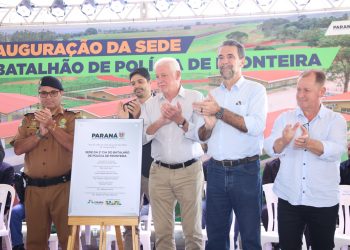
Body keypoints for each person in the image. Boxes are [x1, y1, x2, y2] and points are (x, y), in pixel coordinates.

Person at [193, 39, 267, 250]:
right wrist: (208, 126)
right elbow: (202, 136)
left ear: (242, 61)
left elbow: (254, 126)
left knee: (250, 237)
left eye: (230, 57)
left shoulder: (256, 90)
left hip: (246, 171)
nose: (224, 62)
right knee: (215, 237)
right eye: (220, 57)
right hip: (216, 171)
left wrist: (219, 112)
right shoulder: (213, 95)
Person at [264, 70, 347, 250]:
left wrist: (309, 143)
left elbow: (336, 150)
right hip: (289, 199)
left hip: (323, 201)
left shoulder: (335, 120)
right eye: (298, 90)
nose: (300, 95)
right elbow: (270, 148)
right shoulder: (285, 119)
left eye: (306, 90)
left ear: (322, 92)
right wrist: (284, 141)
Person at [11, 76, 80, 250]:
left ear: (61, 94)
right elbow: (18, 149)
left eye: (53, 93)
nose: (48, 97)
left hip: (64, 187)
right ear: (39, 95)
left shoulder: (72, 118)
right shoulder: (28, 119)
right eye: (43, 93)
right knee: (35, 243)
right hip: (34, 190)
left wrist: (52, 126)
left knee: (69, 240)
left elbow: (75, 146)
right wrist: (39, 134)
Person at [142, 57, 204, 249]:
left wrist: (179, 119)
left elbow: (202, 135)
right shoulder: (150, 104)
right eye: (157, 76)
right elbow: (143, 137)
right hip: (159, 173)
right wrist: (161, 121)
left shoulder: (195, 98)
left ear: (178, 75)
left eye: (164, 75)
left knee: (192, 232)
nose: (159, 80)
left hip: (189, 171)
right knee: (162, 234)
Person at [116, 67, 154, 250]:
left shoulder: (160, 105)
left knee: (163, 220)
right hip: (130, 173)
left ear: (149, 82)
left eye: (140, 81)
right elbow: (122, 139)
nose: (136, 86)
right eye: (133, 83)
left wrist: (138, 118)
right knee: (129, 222)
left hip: (154, 171)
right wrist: (122, 122)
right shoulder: (127, 108)